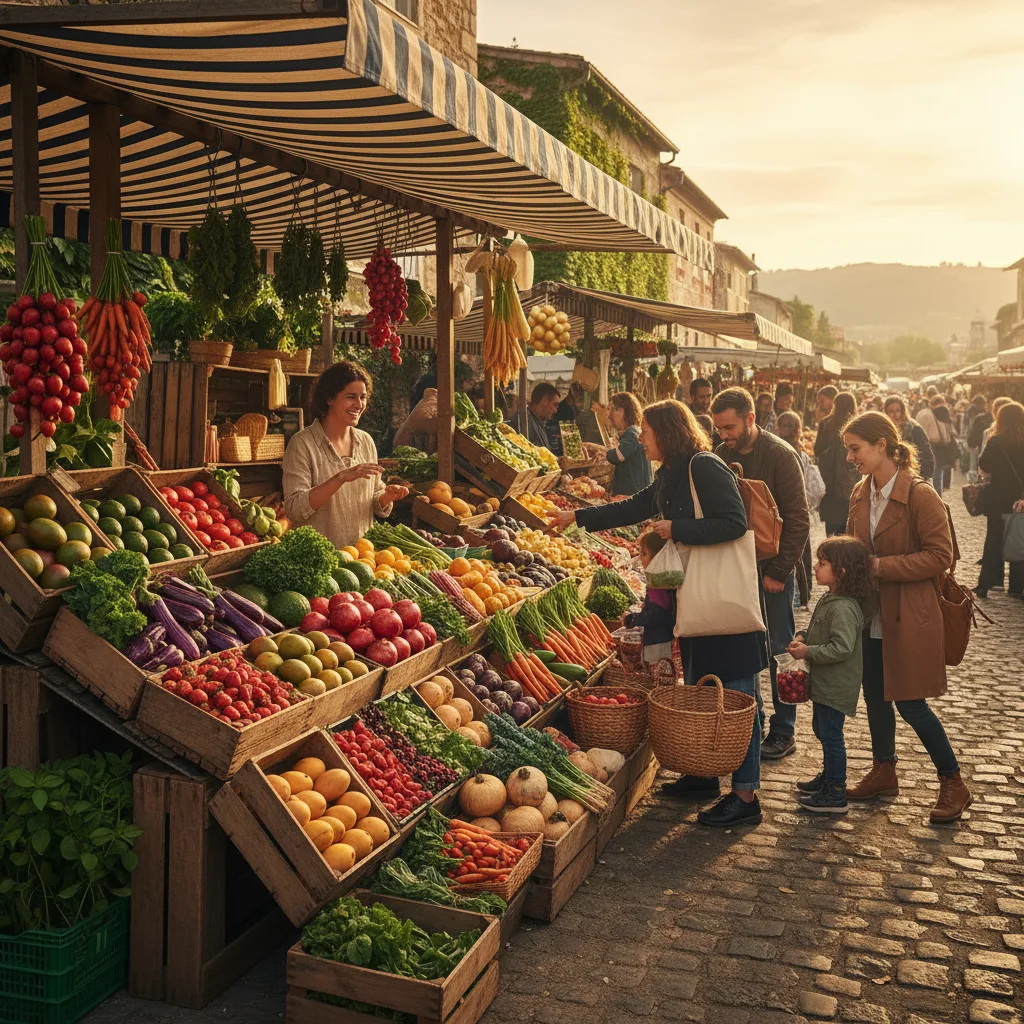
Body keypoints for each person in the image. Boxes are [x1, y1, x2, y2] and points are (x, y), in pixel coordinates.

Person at [551, 400, 768, 827]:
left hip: (723, 604)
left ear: (666, 431)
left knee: (739, 699)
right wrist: (574, 515)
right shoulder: (670, 471)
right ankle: (703, 775)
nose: (638, 439)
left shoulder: (704, 466)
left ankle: (746, 796)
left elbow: (734, 522)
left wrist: (677, 529)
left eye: (645, 432)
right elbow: (633, 508)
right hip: (698, 603)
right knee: (704, 693)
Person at [843, 411, 972, 823]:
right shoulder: (861, 492)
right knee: (876, 695)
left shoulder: (920, 494)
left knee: (911, 704)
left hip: (911, 614)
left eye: (855, 449)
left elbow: (942, 556)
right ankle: (885, 769)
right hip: (871, 613)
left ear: (883, 446)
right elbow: (855, 545)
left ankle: (954, 782)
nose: (850, 457)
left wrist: (882, 567)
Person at [711, 387, 810, 760]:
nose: (725, 436)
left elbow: (799, 519)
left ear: (751, 419)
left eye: (731, 427)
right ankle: (755, 722)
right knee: (746, 649)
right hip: (736, 571)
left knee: (781, 650)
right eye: (720, 429)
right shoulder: (721, 454)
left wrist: (781, 571)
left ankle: (785, 730)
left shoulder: (781, 456)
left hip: (772, 572)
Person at [787, 537, 873, 813]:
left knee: (831, 735)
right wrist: (804, 636)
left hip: (836, 686)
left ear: (842, 571)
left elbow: (842, 647)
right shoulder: (831, 598)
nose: (815, 567)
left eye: (822, 563)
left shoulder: (843, 607)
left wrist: (807, 651)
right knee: (822, 731)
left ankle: (836, 790)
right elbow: (823, 632)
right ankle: (829, 777)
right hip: (824, 683)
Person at [283, 361, 409, 550]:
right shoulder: (302, 444)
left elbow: (373, 498)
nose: (359, 404)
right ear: (330, 399)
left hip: (363, 557)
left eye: (363, 397)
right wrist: (340, 478)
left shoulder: (366, 441)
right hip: (320, 558)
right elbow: (295, 509)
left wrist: (386, 496)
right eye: (351, 397)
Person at [975, 400, 1024, 598]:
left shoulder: (996, 441)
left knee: (994, 541)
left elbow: (984, 463)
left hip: (998, 497)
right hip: (1020, 498)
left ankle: (986, 583)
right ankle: (1017, 586)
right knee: (1019, 539)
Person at [776, 410, 820, 607]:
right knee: (801, 555)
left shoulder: (780, 453)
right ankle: (803, 594)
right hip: (799, 511)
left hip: (786, 511)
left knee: (794, 554)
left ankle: (799, 594)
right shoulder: (801, 454)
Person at [624, 532, 676, 664]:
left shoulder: (657, 582)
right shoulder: (664, 578)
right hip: (664, 637)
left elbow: (656, 614)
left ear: (657, 557)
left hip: (658, 641)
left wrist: (632, 619)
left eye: (644, 554)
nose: (640, 558)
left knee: (658, 673)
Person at [816, 391, 861, 536]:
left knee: (831, 526)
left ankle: (830, 549)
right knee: (847, 525)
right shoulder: (857, 425)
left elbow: (817, 449)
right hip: (850, 479)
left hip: (829, 480)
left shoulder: (825, 423)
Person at [604, 391, 652, 496]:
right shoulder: (631, 432)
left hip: (634, 497)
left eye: (613, 409)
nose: (609, 415)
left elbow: (618, 456)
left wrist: (604, 453)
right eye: (609, 409)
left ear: (624, 412)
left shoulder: (632, 432)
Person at [883, 396, 934, 481]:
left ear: (902, 411)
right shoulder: (885, 430)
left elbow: (925, 453)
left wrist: (922, 476)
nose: (895, 414)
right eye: (891, 411)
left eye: (898, 411)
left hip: (913, 475)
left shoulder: (913, 428)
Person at [548, 381, 583, 456]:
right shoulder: (564, 408)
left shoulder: (572, 408)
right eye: (577, 396)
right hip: (559, 442)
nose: (579, 399)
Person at [525, 382, 560, 451]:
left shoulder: (537, 421)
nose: (555, 410)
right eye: (555, 405)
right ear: (545, 401)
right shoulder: (526, 421)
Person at [931, 402, 957, 495]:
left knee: (937, 477)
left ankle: (938, 497)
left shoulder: (938, 423)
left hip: (938, 453)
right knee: (939, 476)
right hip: (946, 454)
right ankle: (940, 495)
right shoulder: (948, 423)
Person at [966, 395, 992, 475]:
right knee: (976, 464)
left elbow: (971, 429)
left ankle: (975, 480)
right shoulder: (979, 415)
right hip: (981, 442)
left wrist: (971, 442)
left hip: (978, 442)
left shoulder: (976, 415)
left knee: (975, 464)